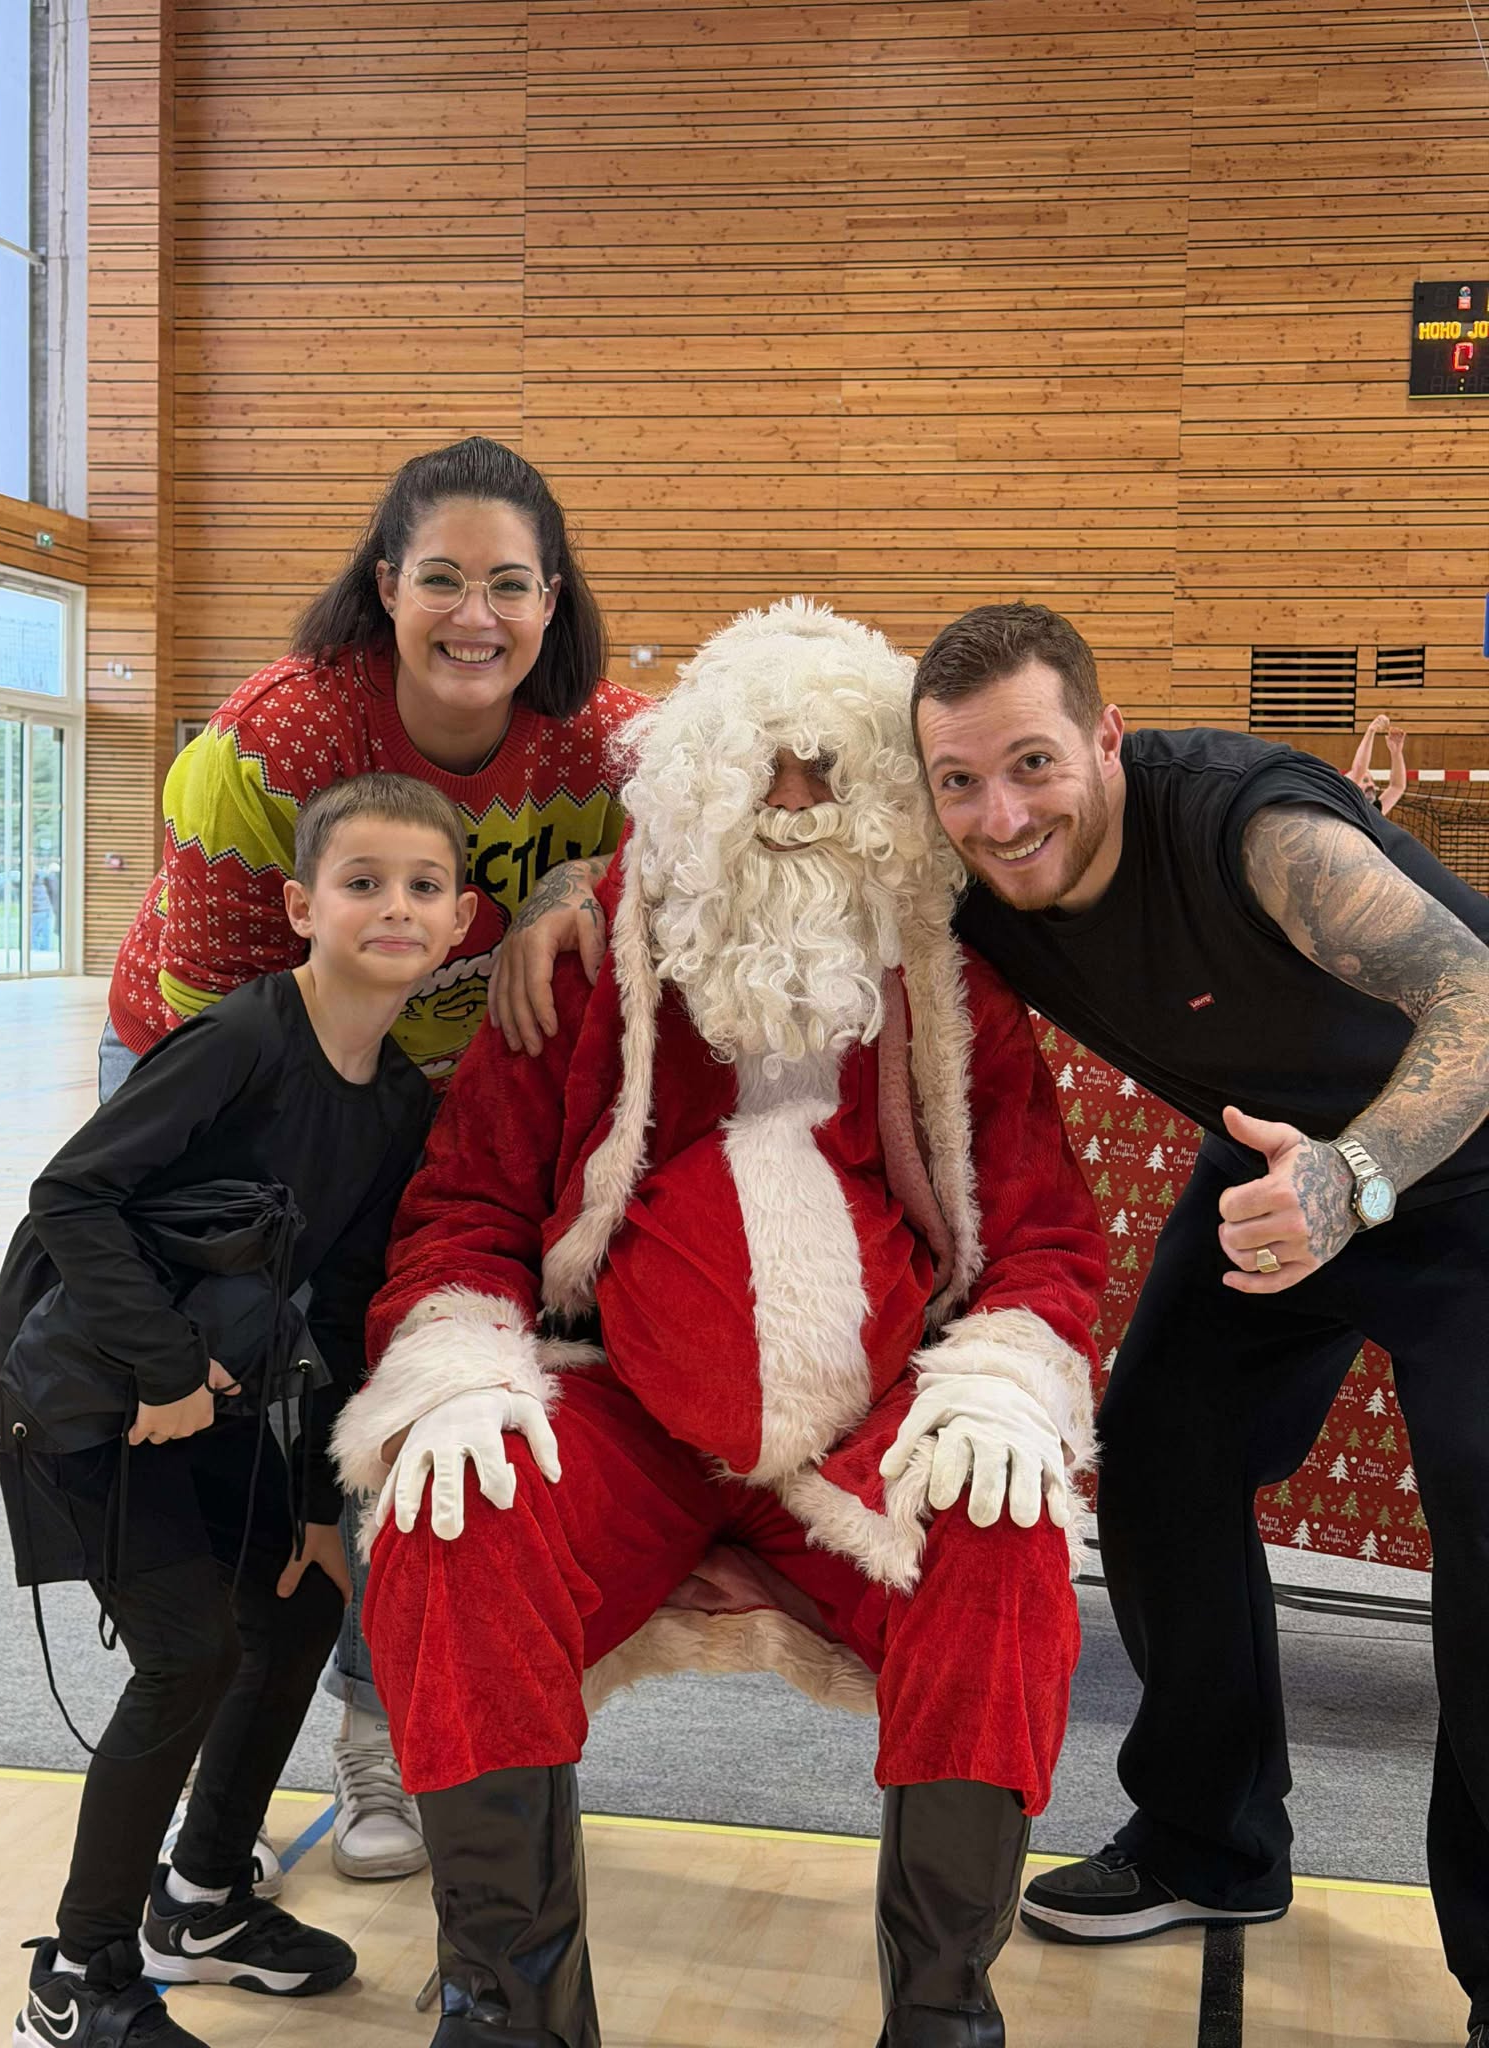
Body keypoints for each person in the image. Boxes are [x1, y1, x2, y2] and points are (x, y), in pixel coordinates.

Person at [333, 599, 1108, 2048]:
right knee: (456, 1509)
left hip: (871, 1427)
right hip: (629, 1412)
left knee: (1003, 1528)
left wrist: (1005, 1380)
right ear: (703, 783)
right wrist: (455, 1369)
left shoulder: (952, 990)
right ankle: (510, 2016)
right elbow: (468, 1207)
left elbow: (1045, 1237)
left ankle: (944, 2014)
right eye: (767, 769)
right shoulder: (585, 969)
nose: (798, 803)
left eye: (831, 770)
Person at [908, 603, 1488, 2048]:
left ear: (1106, 736)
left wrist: (1353, 1179)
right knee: (1162, 1453)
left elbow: (1479, 994)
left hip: (1460, 1169)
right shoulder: (970, 870)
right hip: (1274, 1161)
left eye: (1034, 764)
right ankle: (1208, 1841)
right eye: (960, 781)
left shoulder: (1249, 828)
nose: (1002, 815)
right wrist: (573, 898)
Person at [102, 436, 647, 1884]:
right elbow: (226, 1031)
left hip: (430, 1100)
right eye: (443, 579)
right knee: (239, 1421)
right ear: (386, 584)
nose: (478, 614)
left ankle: (377, 1746)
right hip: (226, 1074)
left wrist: (582, 885)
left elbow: (707, 836)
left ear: (553, 600)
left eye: (511, 584)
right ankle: (180, 1785)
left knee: (392, 1391)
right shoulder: (273, 743)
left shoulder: (608, 742)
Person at [0, 774, 473, 2048]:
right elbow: (70, 1194)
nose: (395, 906)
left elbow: (345, 1300)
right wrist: (160, 1370)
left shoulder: (400, 1101)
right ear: (303, 905)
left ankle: (199, 1900)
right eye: (362, 882)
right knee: (189, 1650)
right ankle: (77, 1977)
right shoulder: (243, 1039)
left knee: (302, 1595)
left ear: (462, 919)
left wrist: (316, 1501)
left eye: (423, 886)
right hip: (87, 1381)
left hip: (215, 1391)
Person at [1344, 712, 1409, 816]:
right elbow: (1359, 769)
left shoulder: (1374, 811)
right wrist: (1371, 730)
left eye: (1372, 781)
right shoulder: (1344, 804)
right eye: (1365, 780)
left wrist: (1396, 753)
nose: (1371, 785)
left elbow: (1397, 787)